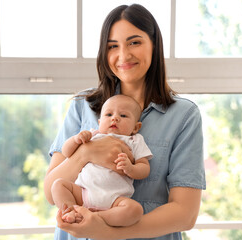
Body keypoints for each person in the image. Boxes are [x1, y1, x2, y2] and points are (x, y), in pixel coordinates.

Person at [44, 3, 206, 240]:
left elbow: (185, 214)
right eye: (112, 46)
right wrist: (85, 153)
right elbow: (51, 192)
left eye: (134, 42)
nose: (123, 55)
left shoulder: (183, 116)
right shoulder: (83, 106)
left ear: (154, 45)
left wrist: (106, 230)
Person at [51, 95, 152, 227]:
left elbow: (144, 168)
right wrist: (76, 140)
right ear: (99, 122)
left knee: (135, 210)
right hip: (84, 193)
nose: (114, 118)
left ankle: (95, 217)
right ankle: (71, 210)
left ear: (136, 127)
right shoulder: (93, 135)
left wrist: (131, 169)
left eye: (123, 116)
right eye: (108, 114)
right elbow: (66, 152)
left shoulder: (135, 141)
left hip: (114, 200)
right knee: (58, 185)